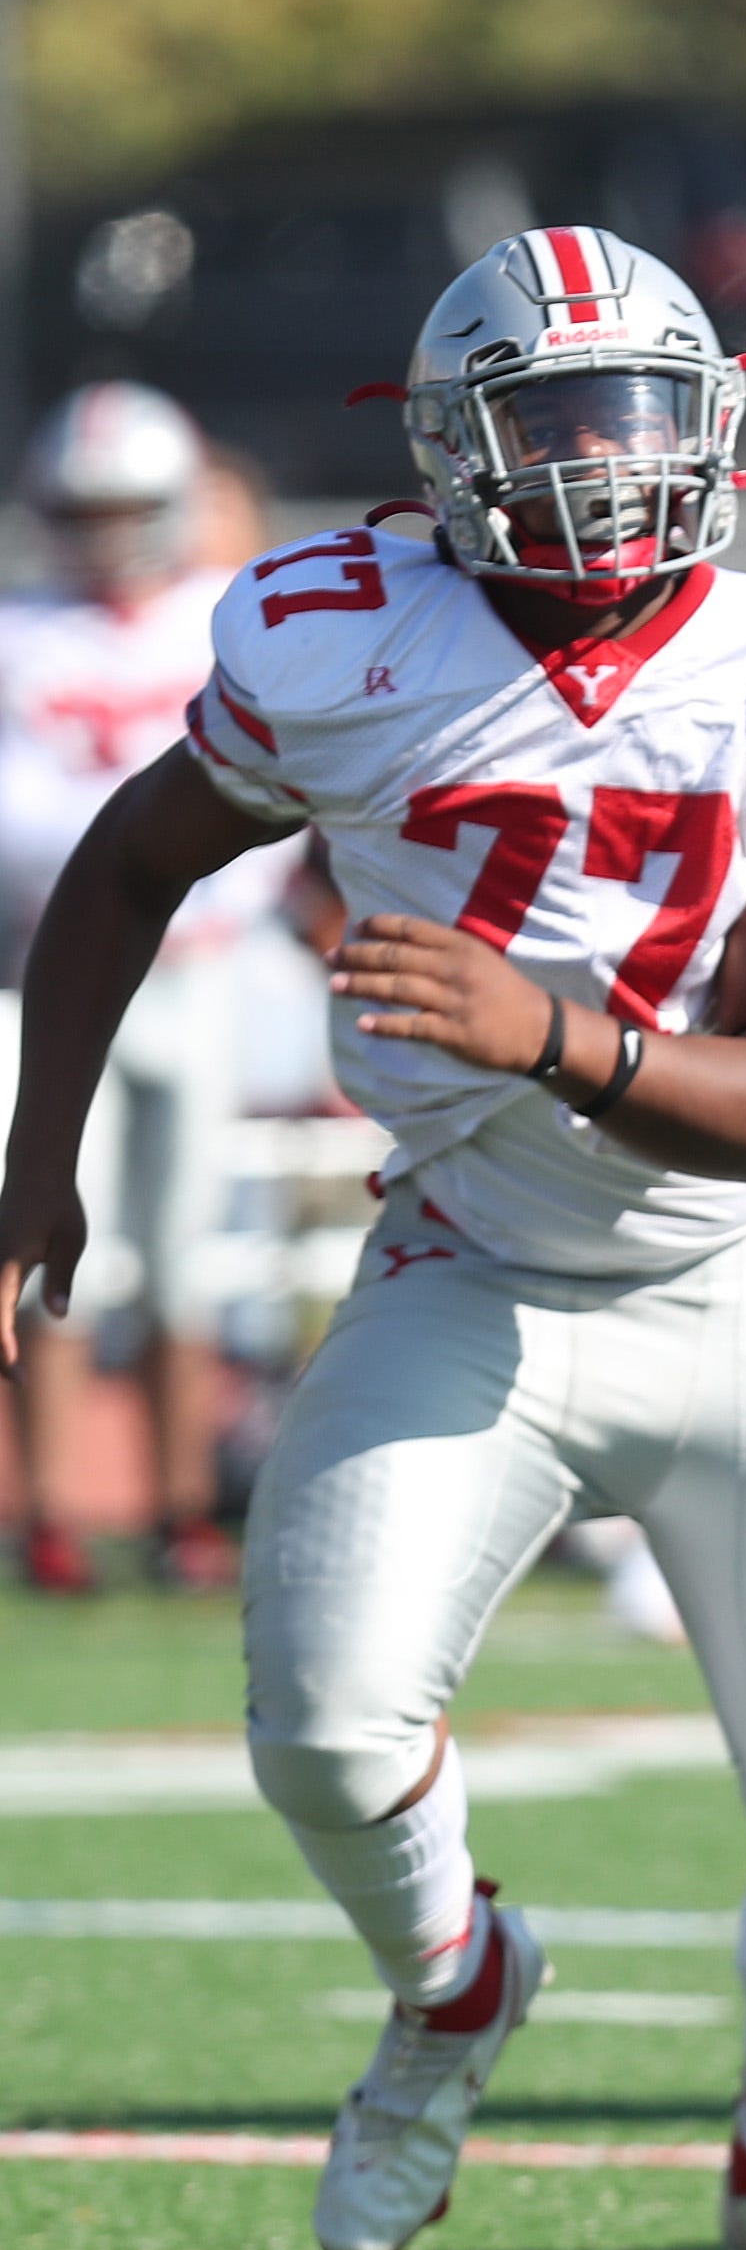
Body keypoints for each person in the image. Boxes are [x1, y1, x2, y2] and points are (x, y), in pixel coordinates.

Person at [0, 226, 746, 2250]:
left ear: (717, 419)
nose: (608, 462)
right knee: (328, 1737)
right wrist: (34, 1163)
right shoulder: (337, 633)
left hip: (744, 1286)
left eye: (639, 409)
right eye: (554, 419)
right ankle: (457, 1984)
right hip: (471, 1269)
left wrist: (555, 1029)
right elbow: (131, 862)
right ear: (447, 447)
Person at [0, 384, 261, 1592]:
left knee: (185, 1250)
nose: (103, 534)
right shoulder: (19, 631)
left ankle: (183, 1507)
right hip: (38, 975)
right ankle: (51, 1509)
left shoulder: (225, 620)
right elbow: (21, 826)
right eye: (81, 510)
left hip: (198, 970)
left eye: (125, 509)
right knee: (56, 1239)